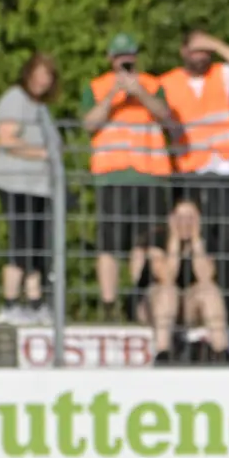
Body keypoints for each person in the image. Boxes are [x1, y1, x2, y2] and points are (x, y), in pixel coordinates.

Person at [159, 27, 229, 322]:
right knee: (188, 237)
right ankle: (185, 305)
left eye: (205, 51)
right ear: (183, 52)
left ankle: (225, 303)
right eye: (195, 49)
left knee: (227, 239)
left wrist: (216, 42)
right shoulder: (168, 81)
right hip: (188, 169)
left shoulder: (221, 74)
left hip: (223, 167)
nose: (200, 55)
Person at [82, 33, 176, 321]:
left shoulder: (152, 84)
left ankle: (138, 303)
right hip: (112, 176)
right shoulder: (97, 87)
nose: (126, 63)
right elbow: (89, 123)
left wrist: (140, 93)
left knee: (144, 243)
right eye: (120, 58)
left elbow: (166, 117)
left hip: (149, 175)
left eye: (130, 57)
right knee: (109, 244)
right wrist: (115, 95)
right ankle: (109, 307)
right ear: (111, 60)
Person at [0, 52, 58, 326]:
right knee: (21, 243)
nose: (43, 80)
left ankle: (35, 302)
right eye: (40, 73)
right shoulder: (15, 99)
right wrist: (40, 153)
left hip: (39, 187)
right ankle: (9, 304)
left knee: (36, 246)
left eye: (49, 75)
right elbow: (6, 138)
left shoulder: (40, 107)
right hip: (17, 183)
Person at [136, 199, 229, 365]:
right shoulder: (158, 238)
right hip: (155, 304)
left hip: (186, 305)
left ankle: (222, 352)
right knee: (168, 291)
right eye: (181, 217)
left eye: (191, 217)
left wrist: (195, 241)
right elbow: (167, 276)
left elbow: (206, 277)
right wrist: (174, 241)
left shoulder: (205, 240)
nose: (186, 222)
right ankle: (163, 353)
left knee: (210, 290)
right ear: (171, 219)